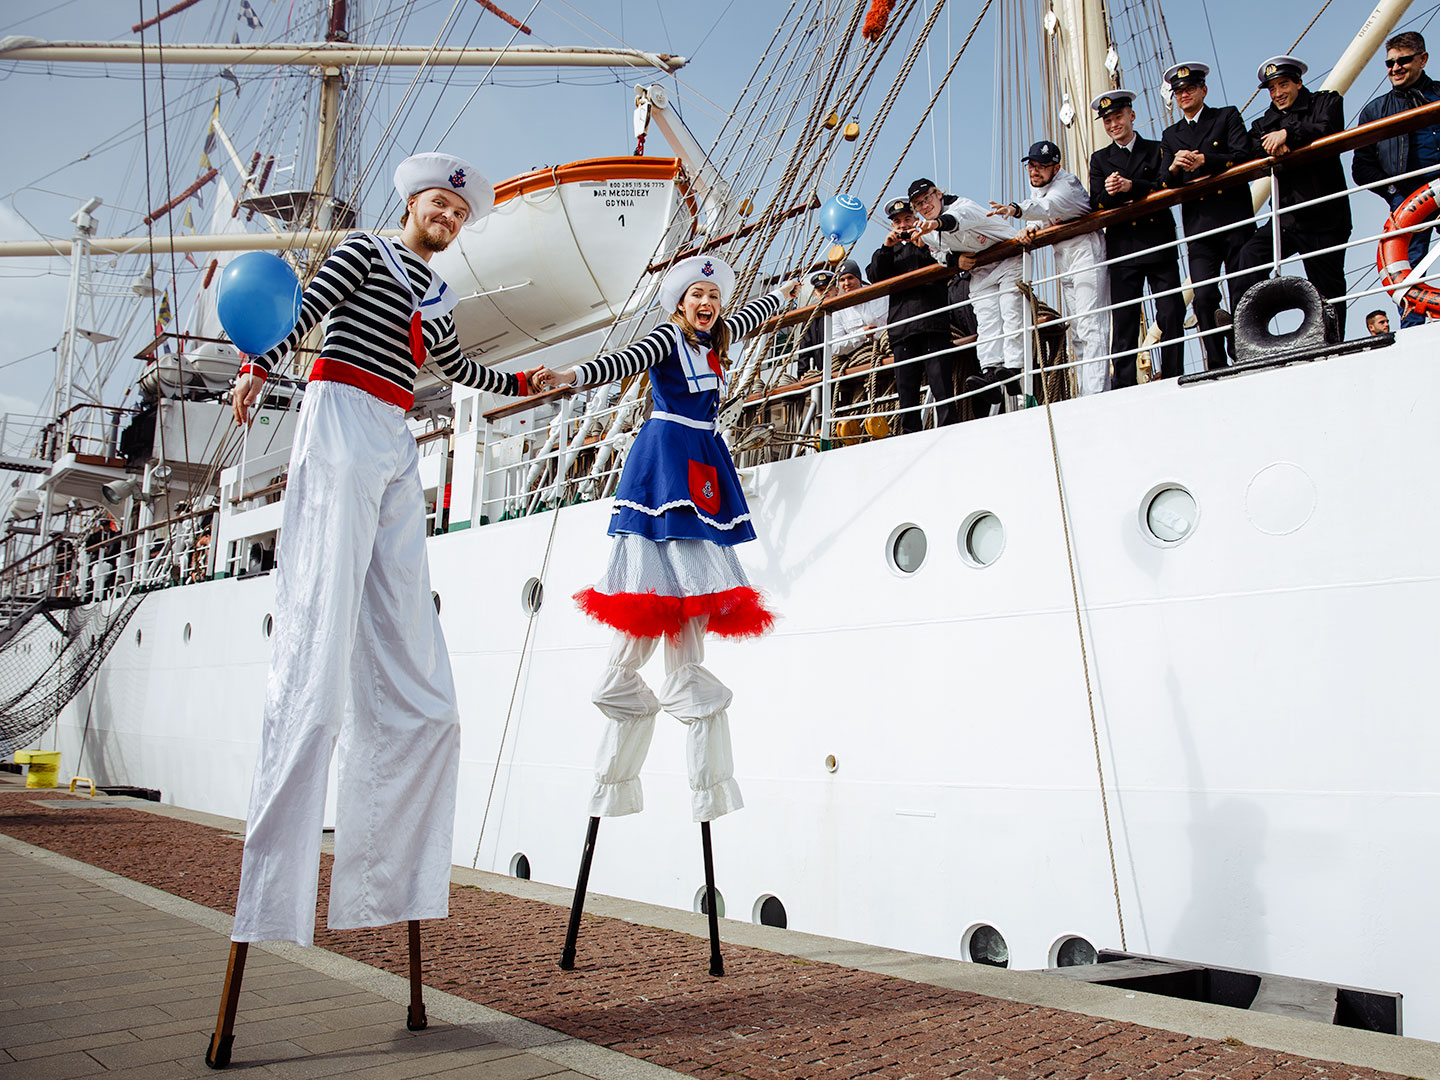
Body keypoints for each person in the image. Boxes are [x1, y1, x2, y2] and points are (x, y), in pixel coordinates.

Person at [227, 152, 538, 947]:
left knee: (414, 663)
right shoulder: (363, 250)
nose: (451, 217)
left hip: (394, 431)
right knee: (319, 643)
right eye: (442, 204)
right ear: (414, 202)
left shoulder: (439, 290)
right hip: (338, 415)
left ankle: (384, 885)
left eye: (461, 214)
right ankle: (272, 906)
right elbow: (306, 312)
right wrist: (257, 362)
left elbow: (455, 366)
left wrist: (527, 384)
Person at [533, 257, 798, 822]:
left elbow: (755, 313)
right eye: (696, 294)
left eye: (712, 295)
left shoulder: (716, 340)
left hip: (702, 459)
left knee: (689, 599)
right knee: (658, 577)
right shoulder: (668, 339)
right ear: (679, 303)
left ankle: (699, 779)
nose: (707, 303)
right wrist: (572, 378)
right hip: (667, 459)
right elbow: (624, 361)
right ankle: (629, 752)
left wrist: (794, 287)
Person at [1159, 62, 1266, 369]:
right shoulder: (1171, 135)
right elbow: (1165, 182)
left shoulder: (1226, 116)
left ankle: (1247, 350)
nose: (1184, 95)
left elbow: (1243, 153)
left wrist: (1206, 159)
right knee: (1204, 296)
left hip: (1234, 218)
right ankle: (1216, 362)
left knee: (1241, 288)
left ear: (1203, 90)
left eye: (1190, 89)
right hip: (1199, 226)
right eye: (1179, 92)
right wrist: (1176, 167)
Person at [1238, 56, 1352, 336]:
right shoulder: (1265, 121)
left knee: (1328, 289)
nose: (1277, 93)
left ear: (1299, 83)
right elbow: (1251, 146)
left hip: (1325, 216)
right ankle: (1245, 328)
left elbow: (1328, 126)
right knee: (1250, 255)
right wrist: (1271, 145)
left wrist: (1288, 134)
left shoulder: (1326, 103)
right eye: (1272, 88)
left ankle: (1334, 343)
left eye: (1283, 85)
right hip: (1287, 217)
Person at [988, 140, 1110, 395]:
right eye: (1031, 166)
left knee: (1091, 325)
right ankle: (1086, 392)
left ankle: (1097, 393)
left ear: (1056, 168)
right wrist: (1033, 227)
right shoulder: (1040, 189)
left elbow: (1050, 207)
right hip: (1063, 257)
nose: (1035, 171)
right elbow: (1046, 215)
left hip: (1085, 253)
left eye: (1042, 167)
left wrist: (1015, 209)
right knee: (1077, 330)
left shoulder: (1068, 185)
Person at [1088, 90, 1187, 384]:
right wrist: (1110, 191)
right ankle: (1124, 384)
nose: (1113, 124)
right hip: (1123, 248)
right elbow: (1095, 203)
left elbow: (1164, 183)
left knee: (1171, 310)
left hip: (1157, 240)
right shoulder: (1100, 159)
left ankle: (1173, 374)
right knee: (1125, 322)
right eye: (1107, 120)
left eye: (1118, 117)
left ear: (1132, 115)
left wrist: (1131, 186)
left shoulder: (1158, 149)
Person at [909, 179, 1025, 416]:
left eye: (928, 198)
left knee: (1010, 310)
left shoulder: (964, 205)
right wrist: (955, 261)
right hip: (979, 270)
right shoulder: (928, 233)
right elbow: (939, 255)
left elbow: (955, 221)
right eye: (919, 204)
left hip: (1007, 259)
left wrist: (934, 224)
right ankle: (991, 372)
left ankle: (1015, 369)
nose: (925, 205)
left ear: (939, 194)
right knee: (987, 319)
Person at [1352, 31, 1440, 328]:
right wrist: (1395, 194)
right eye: (1390, 63)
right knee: (1410, 263)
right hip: (1409, 197)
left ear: (1423, 59)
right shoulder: (1376, 111)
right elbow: (1362, 168)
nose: (1395, 68)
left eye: (1403, 60)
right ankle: (1414, 328)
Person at [868, 196, 960, 432]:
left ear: (916, 219)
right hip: (902, 328)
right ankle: (910, 432)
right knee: (906, 387)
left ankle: (949, 426)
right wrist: (886, 247)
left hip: (932, 322)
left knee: (940, 381)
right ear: (892, 226)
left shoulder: (932, 242)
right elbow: (875, 276)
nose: (904, 225)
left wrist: (923, 247)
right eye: (898, 222)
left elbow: (947, 266)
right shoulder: (889, 252)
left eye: (907, 218)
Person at [796, 270, 838, 376]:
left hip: (843, 366)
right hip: (822, 371)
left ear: (836, 290)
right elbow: (805, 348)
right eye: (821, 290)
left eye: (829, 289)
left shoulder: (844, 310)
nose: (825, 292)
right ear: (815, 294)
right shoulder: (811, 319)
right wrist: (802, 373)